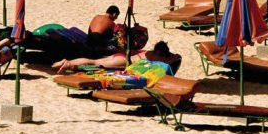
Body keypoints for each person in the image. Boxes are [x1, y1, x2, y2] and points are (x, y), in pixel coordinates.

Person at [53, 41, 181, 74]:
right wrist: (174, 57)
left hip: (120, 56)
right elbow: (171, 62)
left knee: (95, 61)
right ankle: (69, 64)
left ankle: (68, 62)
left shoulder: (148, 52)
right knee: (95, 64)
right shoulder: (156, 56)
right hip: (124, 61)